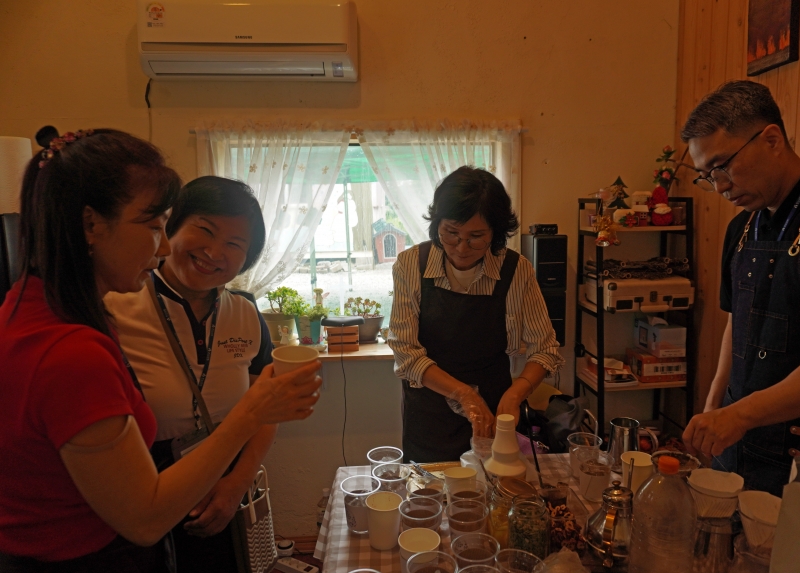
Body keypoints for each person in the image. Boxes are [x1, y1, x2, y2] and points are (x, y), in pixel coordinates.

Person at [0, 127, 322, 572]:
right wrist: (253, 411)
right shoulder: (78, 342)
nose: (165, 245)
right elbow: (144, 518)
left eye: (235, 245)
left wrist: (235, 480)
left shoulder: (32, 309)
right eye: (155, 226)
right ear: (91, 225)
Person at [679, 81, 800, 496]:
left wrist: (740, 415)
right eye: (708, 176)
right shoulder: (742, 229)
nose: (720, 186)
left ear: (772, 140)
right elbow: (737, 325)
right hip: (740, 445)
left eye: (722, 166)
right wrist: (715, 406)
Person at [104, 176, 272, 573]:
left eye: (234, 244)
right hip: (145, 484)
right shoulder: (115, 307)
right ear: (169, 228)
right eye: (205, 230)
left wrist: (237, 484)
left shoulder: (245, 313)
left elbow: (266, 407)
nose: (214, 252)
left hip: (225, 484)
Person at [388, 166, 563, 463]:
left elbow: (545, 350)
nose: (461, 247)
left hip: (496, 411)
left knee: (494, 484)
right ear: (437, 224)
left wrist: (516, 393)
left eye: (476, 236)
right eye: (451, 233)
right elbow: (406, 353)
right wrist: (465, 395)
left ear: (496, 231)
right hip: (430, 414)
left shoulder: (516, 270)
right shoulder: (411, 265)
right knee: (431, 488)